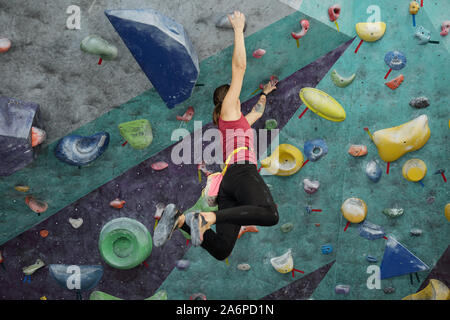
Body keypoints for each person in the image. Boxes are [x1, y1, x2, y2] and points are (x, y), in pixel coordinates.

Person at [154, 11, 279, 260]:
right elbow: (240, 68)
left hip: (228, 184)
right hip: (240, 171)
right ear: (227, 99)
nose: (238, 98)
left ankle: (180, 220)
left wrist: (265, 93)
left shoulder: (237, 123)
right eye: (234, 96)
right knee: (269, 214)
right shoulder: (229, 110)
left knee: (222, 249)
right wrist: (238, 29)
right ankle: (207, 217)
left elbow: (257, 112)